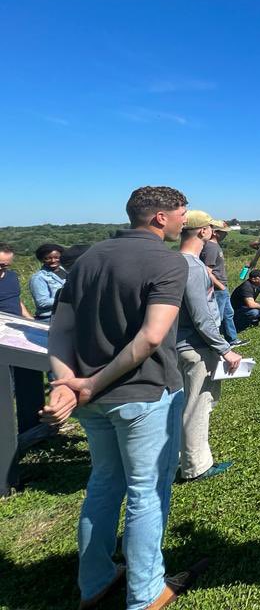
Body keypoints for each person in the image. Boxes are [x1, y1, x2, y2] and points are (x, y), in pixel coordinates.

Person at [40, 186, 207, 610]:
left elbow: (60, 328)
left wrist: (67, 382)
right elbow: (151, 337)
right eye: (181, 213)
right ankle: (146, 592)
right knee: (146, 492)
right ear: (160, 218)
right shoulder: (168, 261)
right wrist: (90, 384)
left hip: (91, 400)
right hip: (144, 394)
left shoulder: (88, 258)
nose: (184, 221)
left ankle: (95, 581)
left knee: (103, 484)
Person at [176, 210, 242, 482]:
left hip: (177, 344)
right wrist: (225, 349)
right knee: (198, 406)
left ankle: (178, 458)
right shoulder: (192, 267)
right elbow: (201, 316)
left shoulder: (175, 261)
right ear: (203, 231)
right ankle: (196, 466)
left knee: (182, 405)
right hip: (196, 347)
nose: (213, 233)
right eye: (210, 228)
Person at [1, 242, 45, 437]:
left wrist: (30, 321)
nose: (2, 269)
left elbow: (16, 301)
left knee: (28, 379)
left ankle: (32, 428)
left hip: (18, 334)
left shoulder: (12, 277)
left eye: (6, 265)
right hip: (2, 341)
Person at [200, 220, 245, 347]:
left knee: (228, 313)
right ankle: (215, 343)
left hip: (222, 286)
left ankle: (232, 339)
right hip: (217, 287)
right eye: (224, 232)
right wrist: (220, 286)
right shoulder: (211, 247)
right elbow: (207, 271)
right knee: (217, 316)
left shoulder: (215, 246)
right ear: (215, 232)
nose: (226, 234)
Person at [29, 243, 67, 320]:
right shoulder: (38, 277)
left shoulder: (66, 271)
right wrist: (66, 298)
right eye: (48, 258)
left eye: (56, 257)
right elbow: (42, 302)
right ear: (41, 259)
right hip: (50, 318)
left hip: (66, 315)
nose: (53, 261)